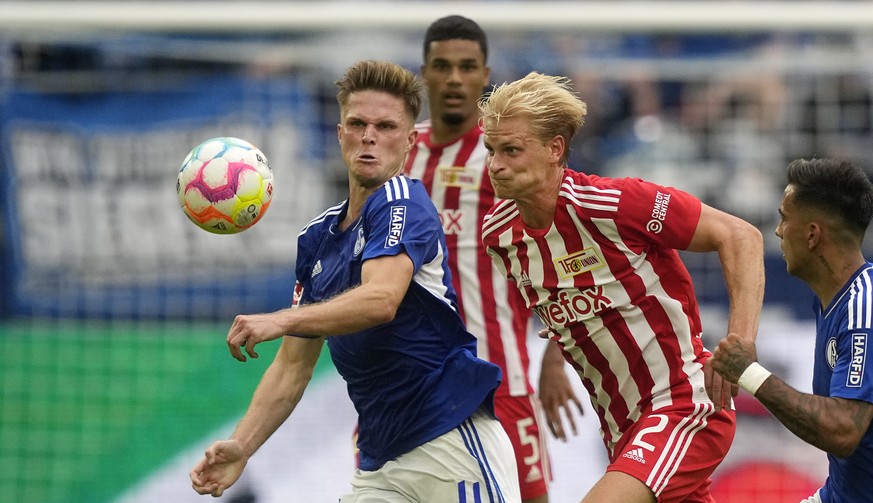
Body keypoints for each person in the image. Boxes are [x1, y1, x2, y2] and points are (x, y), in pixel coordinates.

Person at [189, 59, 521, 503]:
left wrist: (284, 319)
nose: (369, 136)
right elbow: (293, 368)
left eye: (386, 126)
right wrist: (243, 446)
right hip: (380, 463)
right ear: (340, 133)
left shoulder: (406, 201)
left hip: (450, 439)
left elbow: (381, 298)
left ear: (410, 141)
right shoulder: (317, 239)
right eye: (357, 123)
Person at [478, 71, 765, 502]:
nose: (496, 164)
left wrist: (739, 345)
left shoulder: (614, 204)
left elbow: (741, 236)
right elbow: (576, 298)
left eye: (512, 150)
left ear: (555, 148)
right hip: (621, 429)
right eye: (491, 150)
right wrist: (554, 360)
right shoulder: (499, 236)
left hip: (681, 406)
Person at [402, 15, 581, 503]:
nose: (454, 78)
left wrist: (555, 355)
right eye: (442, 66)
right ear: (425, 72)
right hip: (408, 379)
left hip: (500, 374)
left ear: (485, 76)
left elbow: (569, 254)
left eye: (467, 67)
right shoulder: (400, 150)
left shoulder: (505, 155)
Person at [712, 158, 873, 503]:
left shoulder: (865, 307)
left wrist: (750, 374)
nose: (778, 231)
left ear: (813, 234)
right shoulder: (836, 303)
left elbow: (843, 430)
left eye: (785, 218)